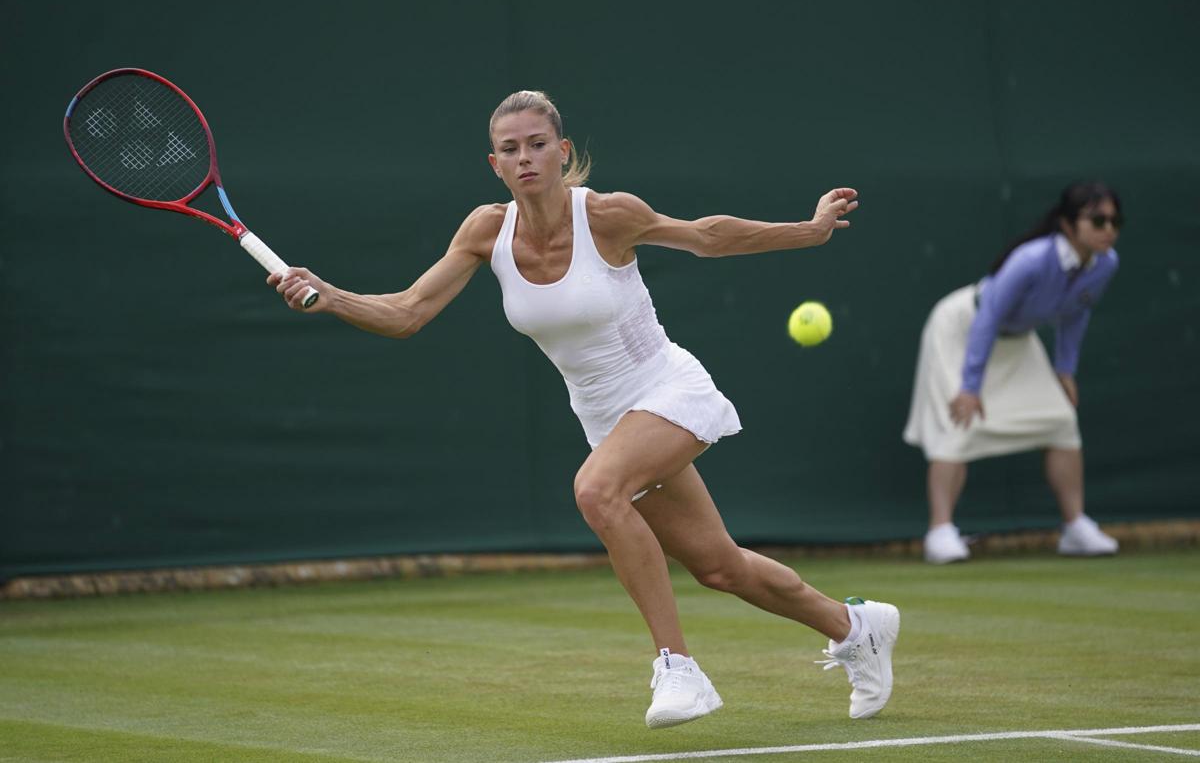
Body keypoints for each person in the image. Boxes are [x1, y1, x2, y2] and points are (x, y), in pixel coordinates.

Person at [271, 90, 899, 727]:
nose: (525, 159)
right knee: (718, 566)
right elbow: (408, 313)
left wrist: (809, 229)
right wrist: (330, 296)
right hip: (608, 422)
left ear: (561, 150)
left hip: (668, 389)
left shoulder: (607, 215)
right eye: (510, 150)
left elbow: (706, 238)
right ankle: (855, 627)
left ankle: (679, 669)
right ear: (494, 164)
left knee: (597, 492)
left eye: (537, 145)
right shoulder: (485, 231)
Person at [903, 181, 1123, 564]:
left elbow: (1077, 312)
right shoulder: (1032, 259)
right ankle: (940, 531)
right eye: (1098, 220)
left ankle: (1075, 528)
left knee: (1061, 421)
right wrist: (970, 386)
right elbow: (987, 317)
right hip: (963, 329)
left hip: (1017, 341)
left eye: (1115, 221)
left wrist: (1065, 370)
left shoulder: (1105, 264)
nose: (1108, 230)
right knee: (958, 424)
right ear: (1069, 225)